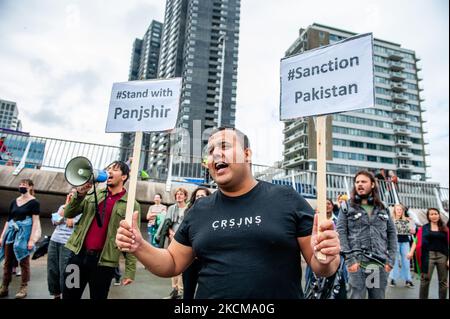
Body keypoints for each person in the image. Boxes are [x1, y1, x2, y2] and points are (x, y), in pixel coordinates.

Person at [116, 127, 340, 299]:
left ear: (247, 153)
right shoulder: (199, 210)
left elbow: (320, 266)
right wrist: (139, 246)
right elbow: (172, 263)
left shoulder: (286, 198)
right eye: (210, 151)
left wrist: (328, 257)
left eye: (224, 146)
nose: (215, 154)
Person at [62, 160, 141, 299]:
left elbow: (132, 237)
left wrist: (130, 270)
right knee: (69, 295)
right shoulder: (93, 193)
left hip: (104, 262)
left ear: (124, 177)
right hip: (77, 257)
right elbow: (68, 213)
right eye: (108, 168)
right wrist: (79, 194)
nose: (109, 171)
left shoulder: (131, 205)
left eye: (114, 169)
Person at [337, 170, 397, 299]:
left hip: (377, 265)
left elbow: (392, 234)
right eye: (357, 182)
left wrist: (390, 260)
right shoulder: (346, 207)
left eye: (363, 181)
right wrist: (350, 260)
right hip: (357, 264)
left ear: (373, 185)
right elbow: (341, 233)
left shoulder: (383, 208)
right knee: (356, 297)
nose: (359, 184)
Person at [0, 179, 41, 298]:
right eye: (20, 184)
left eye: (24, 185)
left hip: (24, 236)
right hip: (11, 235)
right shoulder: (14, 201)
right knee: (7, 262)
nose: (21, 186)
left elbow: (35, 222)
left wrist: (32, 239)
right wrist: (2, 236)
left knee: (24, 262)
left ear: (30, 187)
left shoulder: (34, 202)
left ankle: (23, 288)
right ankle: (4, 287)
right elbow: (9, 221)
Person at [47, 188, 81, 299]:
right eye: (70, 193)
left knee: (66, 271)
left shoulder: (81, 208)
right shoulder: (63, 207)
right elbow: (55, 221)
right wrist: (67, 204)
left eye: (74, 193)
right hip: (55, 240)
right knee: (52, 269)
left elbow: (70, 223)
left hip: (68, 243)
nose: (71, 195)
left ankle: (68, 295)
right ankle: (56, 294)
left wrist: (71, 207)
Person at [410, 208, 449, 299]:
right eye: (431, 214)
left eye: (436, 214)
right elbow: (416, 241)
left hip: (442, 256)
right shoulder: (424, 228)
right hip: (428, 256)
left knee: (443, 282)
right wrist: (411, 252)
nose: (434, 216)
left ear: (439, 215)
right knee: (425, 280)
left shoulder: (445, 229)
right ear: (428, 216)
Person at [182, 187, 211, 299]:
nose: (199, 198)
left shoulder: (214, 214)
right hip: (190, 260)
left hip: (206, 260)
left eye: (202, 196)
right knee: (188, 292)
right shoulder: (189, 213)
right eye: (197, 196)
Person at [159, 187, 189, 299]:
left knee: (182, 265)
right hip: (172, 239)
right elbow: (167, 223)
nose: (179, 196)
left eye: (181, 194)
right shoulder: (172, 208)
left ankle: (180, 290)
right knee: (173, 264)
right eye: (177, 194)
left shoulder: (189, 208)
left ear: (185, 196)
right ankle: (174, 289)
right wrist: (170, 232)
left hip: (184, 239)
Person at [388, 204, 415, 288]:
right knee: (394, 261)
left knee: (406, 261)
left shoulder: (408, 220)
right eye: (397, 209)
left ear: (403, 211)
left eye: (400, 209)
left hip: (405, 242)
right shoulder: (391, 220)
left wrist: (411, 229)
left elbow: (413, 232)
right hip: (394, 242)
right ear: (395, 210)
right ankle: (393, 279)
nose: (399, 211)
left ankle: (408, 280)